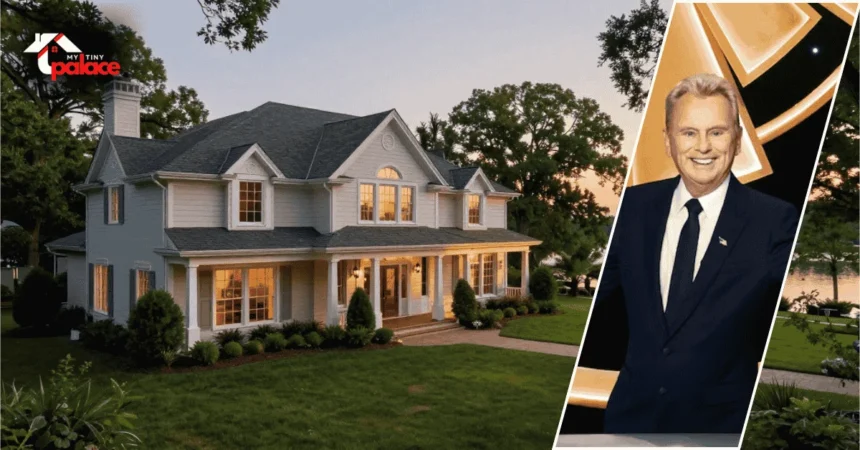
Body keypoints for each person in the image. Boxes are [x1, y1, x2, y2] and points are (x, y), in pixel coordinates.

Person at [599, 73, 798, 434]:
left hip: (719, 427)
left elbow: (782, 324)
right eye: (689, 132)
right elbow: (602, 306)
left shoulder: (776, 222)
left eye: (717, 132)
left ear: (737, 140)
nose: (703, 147)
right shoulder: (632, 207)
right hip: (629, 420)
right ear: (668, 141)